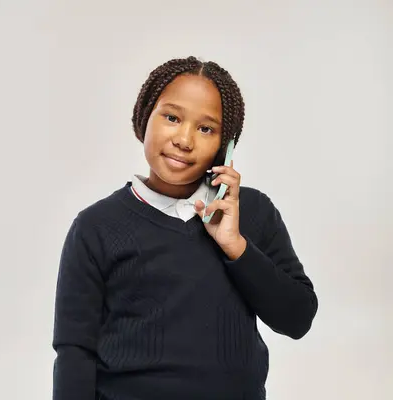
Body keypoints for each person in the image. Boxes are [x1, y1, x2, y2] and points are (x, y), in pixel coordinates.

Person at [51, 56, 318, 400]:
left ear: (226, 146)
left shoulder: (252, 213)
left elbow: (297, 319)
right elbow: (75, 353)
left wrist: (235, 245)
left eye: (206, 128)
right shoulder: (96, 227)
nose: (185, 139)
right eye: (172, 118)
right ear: (143, 119)